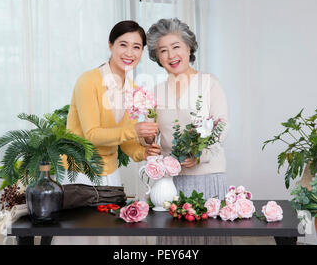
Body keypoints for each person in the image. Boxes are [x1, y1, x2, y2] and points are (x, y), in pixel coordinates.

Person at [53, 20, 160, 245]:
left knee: (108, 239)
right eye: (123, 44)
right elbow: (91, 135)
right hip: (78, 173)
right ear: (110, 45)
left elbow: (126, 142)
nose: (129, 52)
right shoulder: (88, 81)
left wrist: (145, 153)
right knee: (81, 239)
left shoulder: (133, 90)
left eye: (136, 47)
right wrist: (134, 129)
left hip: (110, 173)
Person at [145, 18, 232, 245]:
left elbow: (221, 125)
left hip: (207, 177)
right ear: (157, 56)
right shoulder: (156, 91)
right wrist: (147, 142)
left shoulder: (209, 83)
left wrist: (199, 154)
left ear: (188, 48)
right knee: (175, 244)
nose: (171, 55)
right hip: (169, 183)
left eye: (176, 47)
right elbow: (151, 134)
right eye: (163, 50)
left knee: (206, 239)